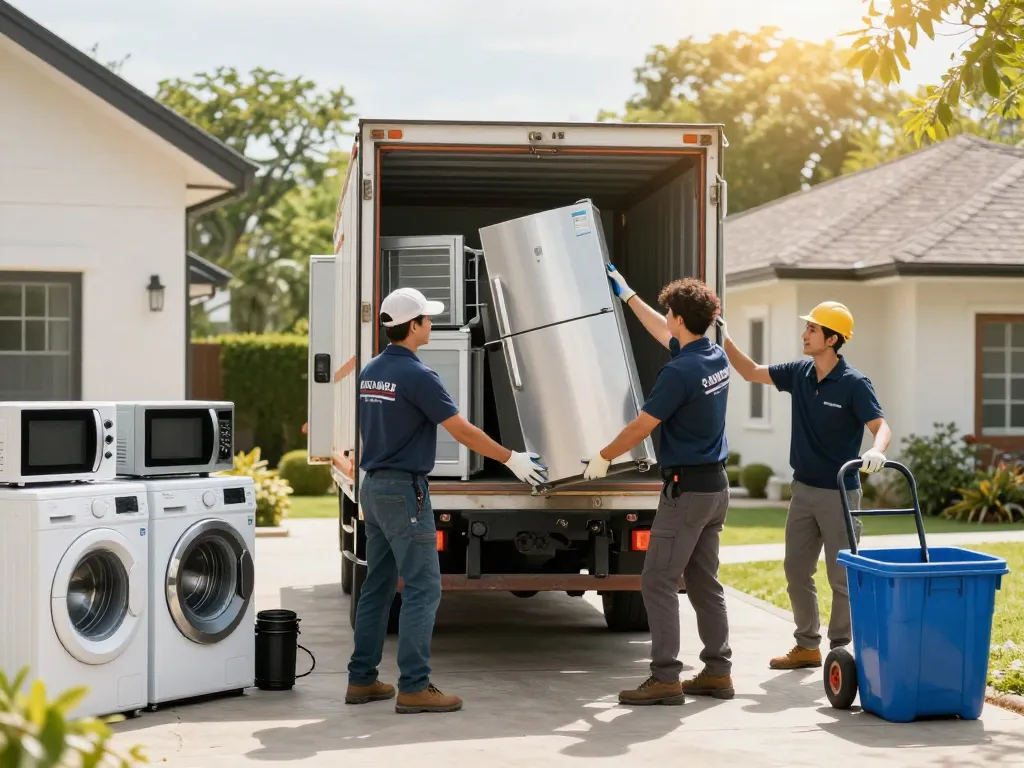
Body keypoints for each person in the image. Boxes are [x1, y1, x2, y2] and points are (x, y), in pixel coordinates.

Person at [345, 286, 547, 714]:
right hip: (404, 492)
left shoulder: (372, 372)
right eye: (428, 319)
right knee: (423, 588)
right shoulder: (418, 375)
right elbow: (461, 430)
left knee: (377, 588)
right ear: (413, 325)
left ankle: (361, 680)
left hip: (373, 488)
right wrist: (511, 458)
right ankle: (415, 687)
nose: (432, 325)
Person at [584, 265, 734, 706]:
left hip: (685, 493)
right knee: (705, 582)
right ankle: (717, 672)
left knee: (657, 581)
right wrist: (628, 294)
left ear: (681, 320)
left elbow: (642, 425)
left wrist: (604, 457)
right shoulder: (713, 357)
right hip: (715, 489)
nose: (666, 318)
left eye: (670, 312)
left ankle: (666, 677)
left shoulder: (678, 374)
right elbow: (661, 331)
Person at [716, 301, 891, 670]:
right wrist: (725, 337)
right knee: (796, 569)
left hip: (840, 494)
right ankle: (808, 645)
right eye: (807, 328)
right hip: (803, 491)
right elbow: (749, 372)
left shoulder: (855, 384)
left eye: (812, 329)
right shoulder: (799, 373)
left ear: (832, 338)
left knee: (840, 576)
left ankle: (840, 651)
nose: (805, 334)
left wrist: (876, 450)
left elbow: (881, 426)